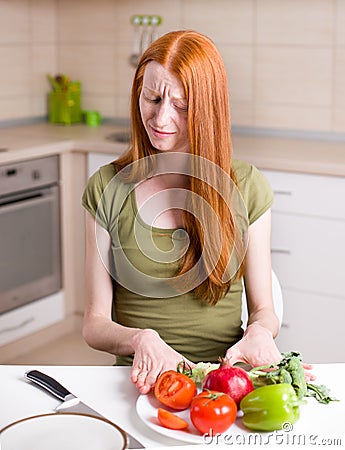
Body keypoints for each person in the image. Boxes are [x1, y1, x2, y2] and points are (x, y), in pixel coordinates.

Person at [81, 30, 283, 395]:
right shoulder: (106, 188)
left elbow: (264, 310)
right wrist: (141, 339)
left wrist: (258, 332)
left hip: (223, 382)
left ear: (208, 109)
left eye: (182, 105)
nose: (160, 117)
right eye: (152, 98)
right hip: (140, 382)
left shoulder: (248, 187)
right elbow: (94, 324)